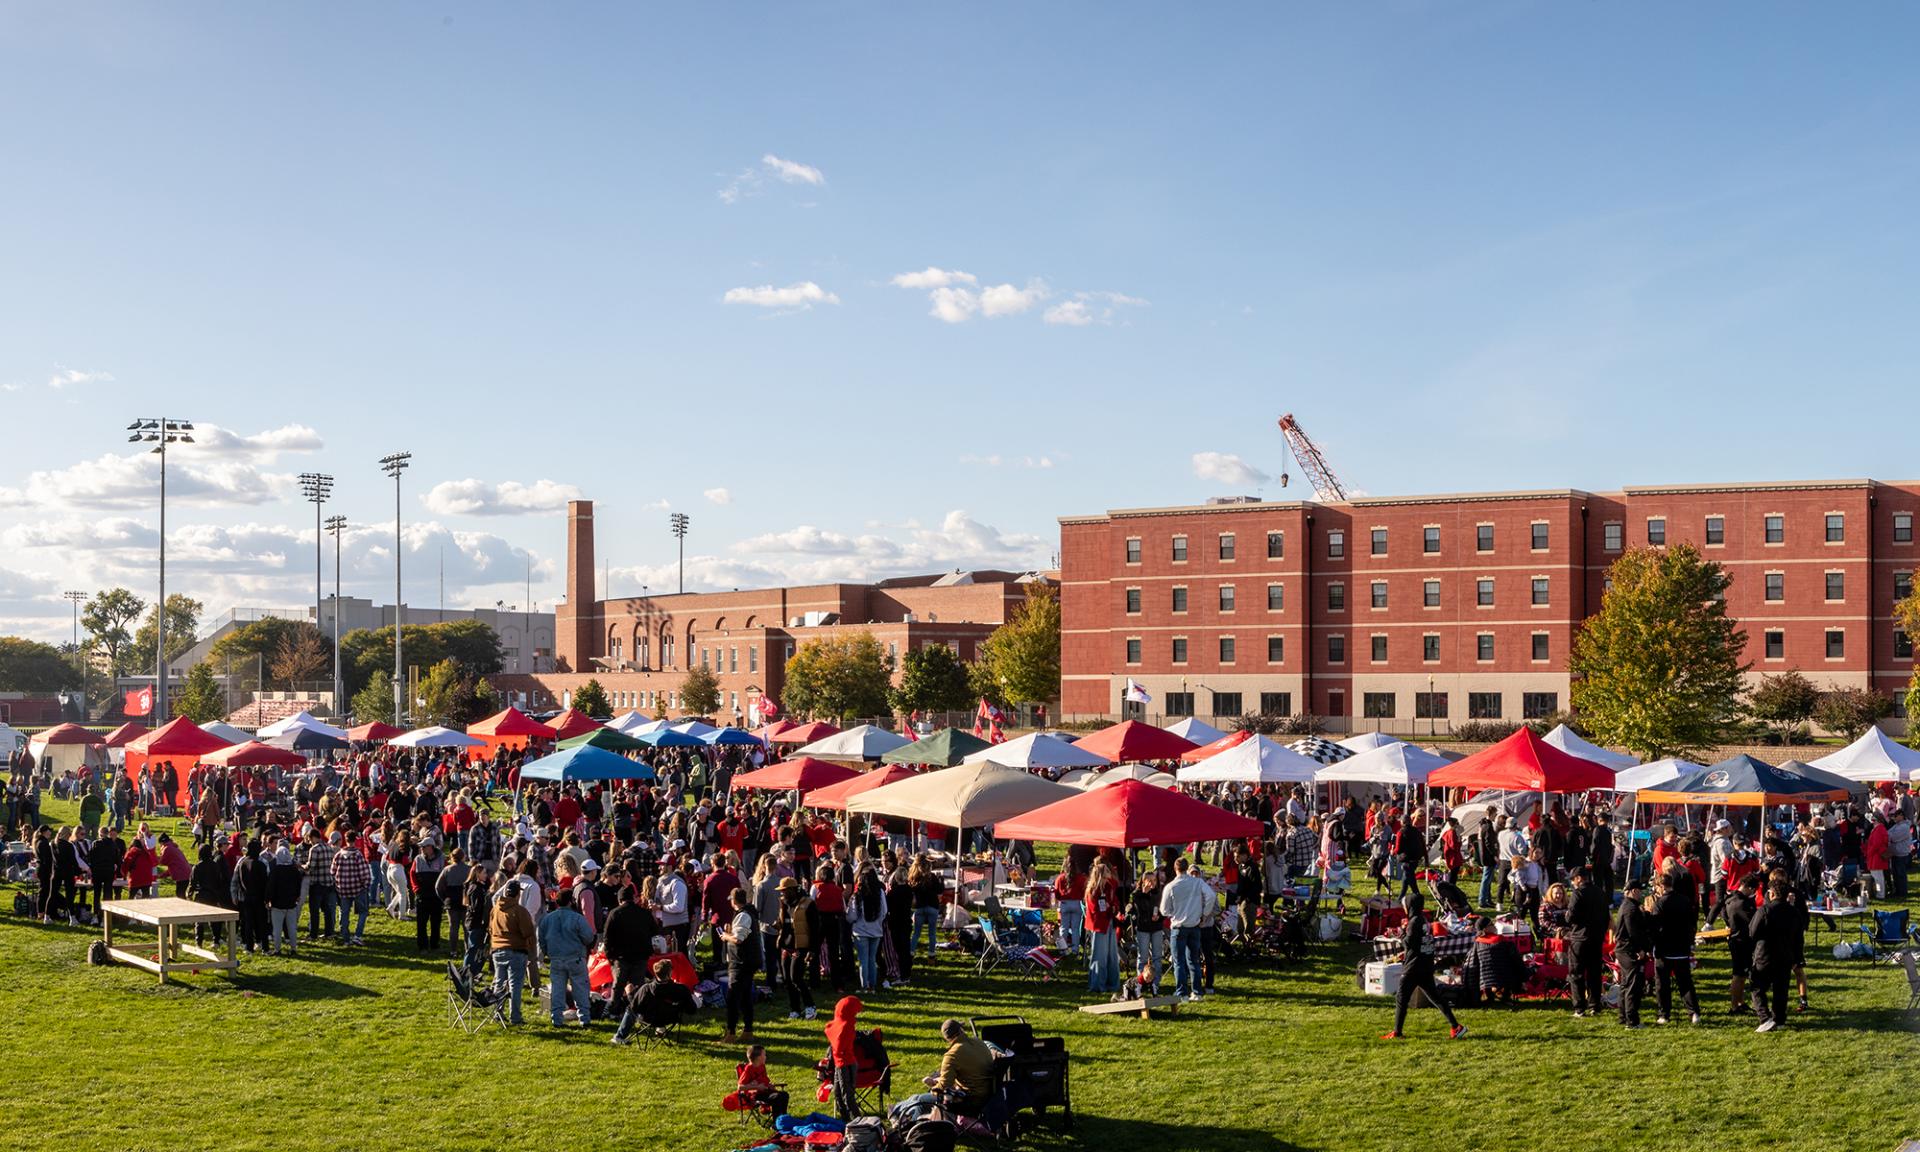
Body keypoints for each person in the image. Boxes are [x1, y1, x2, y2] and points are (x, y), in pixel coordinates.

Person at [1380, 892, 1466, 1041]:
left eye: (1405, 905)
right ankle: (1456, 1026)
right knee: (1435, 997)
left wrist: (1400, 934)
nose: (1404, 908)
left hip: (1413, 967)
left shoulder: (1414, 922)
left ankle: (1397, 1032)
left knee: (1401, 998)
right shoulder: (1424, 920)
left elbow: (1409, 944)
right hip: (1425, 965)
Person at [1651, 864, 1701, 1026]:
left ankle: (1664, 1014)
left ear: (1660, 886)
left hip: (1665, 948)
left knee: (1663, 984)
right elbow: (1692, 922)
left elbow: (1654, 927)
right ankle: (1694, 1012)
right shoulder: (1684, 900)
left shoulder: (1659, 904)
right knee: (1685, 982)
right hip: (1682, 947)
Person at [1747, 876, 1797, 1032]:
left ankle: (1765, 1017)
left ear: (1772, 893)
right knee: (1781, 989)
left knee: (1757, 987)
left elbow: (1752, 931)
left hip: (1765, 954)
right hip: (1785, 954)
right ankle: (1779, 1019)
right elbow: (1798, 935)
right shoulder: (1793, 912)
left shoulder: (1765, 910)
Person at [611, 958, 698, 1045]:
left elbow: (634, 1007)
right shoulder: (681, 989)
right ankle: (660, 1028)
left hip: (649, 1019)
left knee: (630, 1009)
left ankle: (619, 1036)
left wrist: (629, 994)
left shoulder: (646, 989)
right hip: (671, 1018)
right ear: (669, 973)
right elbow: (692, 1009)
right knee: (661, 1008)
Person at [1159, 857, 1211, 1002]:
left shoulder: (1171, 886)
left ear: (1175, 869)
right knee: (1193, 960)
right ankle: (1197, 992)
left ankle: (1182, 993)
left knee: (1179, 961)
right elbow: (1211, 896)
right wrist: (1203, 914)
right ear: (1187, 868)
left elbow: (1164, 910)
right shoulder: (1197, 882)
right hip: (1194, 926)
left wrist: (1173, 913)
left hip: (1179, 927)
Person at [489, 879, 538, 1025]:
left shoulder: (496, 909)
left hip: (497, 950)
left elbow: (491, 929)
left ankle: (497, 1013)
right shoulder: (519, 911)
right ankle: (515, 1017)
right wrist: (531, 952)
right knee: (515, 985)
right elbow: (528, 933)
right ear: (517, 895)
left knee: (499, 983)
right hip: (516, 951)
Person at [1564, 867, 1609, 1017]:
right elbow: (1606, 916)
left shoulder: (1578, 893)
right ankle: (1595, 1005)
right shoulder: (1599, 892)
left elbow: (1570, 917)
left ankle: (1579, 1008)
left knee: (1576, 974)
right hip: (1596, 938)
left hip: (1579, 938)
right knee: (1594, 973)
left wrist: (1568, 916)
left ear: (1578, 878)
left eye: (1572, 879)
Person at [719, 887, 760, 1044]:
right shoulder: (747, 914)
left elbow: (739, 939)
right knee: (744, 997)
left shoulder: (743, 915)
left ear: (734, 901)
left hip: (741, 962)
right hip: (747, 961)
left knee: (733, 998)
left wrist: (725, 936)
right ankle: (748, 1030)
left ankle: (731, 1033)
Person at [1613, 877, 1655, 1028]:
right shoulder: (1630, 909)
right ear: (1633, 891)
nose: (1641, 894)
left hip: (1623, 949)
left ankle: (1623, 1016)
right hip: (1629, 950)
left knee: (1625, 984)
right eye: (1639, 891)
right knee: (1633, 986)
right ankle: (1632, 1020)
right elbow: (1633, 932)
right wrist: (1640, 950)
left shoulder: (1626, 906)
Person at [775, 876, 819, 1020]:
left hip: (801, 946)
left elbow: (815, 928)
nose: (781, 894)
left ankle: (810, 1006)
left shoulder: (808, 904)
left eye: (784, 891)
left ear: (792, 890)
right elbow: (784, 923)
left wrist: (813, 950)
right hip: (786, 946)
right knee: (787, 980)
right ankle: (795, 1009)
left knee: (796, 978)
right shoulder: (783, 904)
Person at [1722, 871, 1760, 1015]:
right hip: (1741, 941)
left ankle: (1740, 1002)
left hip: (1735, 938)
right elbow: (1753, 922)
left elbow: (1724, 915)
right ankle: (1734, 1005)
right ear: (1749, 888)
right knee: (1738, 975)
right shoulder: (1742, 904)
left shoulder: (1730, 899)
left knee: (1742, 975)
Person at [823, 995, 866, 1120]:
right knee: (838, 1094)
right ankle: (845, 1120)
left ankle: (857, 1121)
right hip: (840, 1063)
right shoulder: (843, 1024)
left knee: (847, 1095)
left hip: (846, 1064)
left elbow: (839, 1046)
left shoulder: (846, 1026)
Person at [1085, 857, 1121, 996]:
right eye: (1106, 870)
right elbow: (1095, 909)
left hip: (1109, 922)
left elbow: (1114, 903)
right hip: (1099, 926)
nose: (1109, 872)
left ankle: (1112, 984)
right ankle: (1098, 985)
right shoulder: (1092, 891)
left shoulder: (1109, 886)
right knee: (1099, 956)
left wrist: (1112, 908)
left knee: (1112, 955)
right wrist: (1108, 908)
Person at [848, 866, 887, 992]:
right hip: (876, 930)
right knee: (872, 959)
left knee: (863, 960)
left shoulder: (857, 895)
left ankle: (864, 986)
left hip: (860, 931)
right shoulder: (880, 892)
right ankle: (872, 986)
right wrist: (878, 922)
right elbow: (885, 911)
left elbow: (852, 916)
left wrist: (849, 919)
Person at [267, 843, 304, 956]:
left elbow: (270, 887)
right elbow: (299, 885)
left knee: (277, 930)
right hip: (291, 903)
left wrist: (267, 899)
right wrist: (297, 896)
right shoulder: (294, 870)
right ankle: (293, 948)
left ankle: (277, 949)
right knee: (292, 928)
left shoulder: (275, 870)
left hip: (277, 904)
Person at [735, 1044, 790, 1117]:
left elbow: (763, 1080)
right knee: (777, 1097)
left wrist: (769, 1085)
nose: (765, 1057)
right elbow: (740, 1087)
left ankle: (783, 1117)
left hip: (765, 1092)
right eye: (764, 1055)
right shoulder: (748, 1069)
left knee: (784, 1094)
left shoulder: (762, 1066)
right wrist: (757, 1087)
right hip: (756, 1096)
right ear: (758, 1058)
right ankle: (776, 1121)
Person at [1052, 861, 1087, 956]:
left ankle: (1062, 950)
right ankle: (1075, 950)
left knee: (1063, 928)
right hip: (1076, 903)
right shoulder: (1081, 878)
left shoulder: (1060, 878)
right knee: (1076, 929)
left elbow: (1056, 893)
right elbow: (1085, 891)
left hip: (1064, 903)